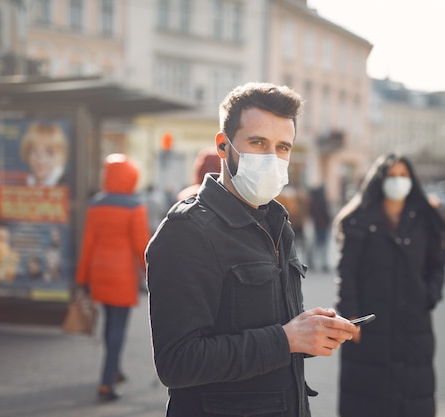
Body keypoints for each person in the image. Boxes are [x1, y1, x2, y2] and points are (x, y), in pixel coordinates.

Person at [145, 82, 359, 417]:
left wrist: (307, 332)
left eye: (283, 147)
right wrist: (286, 339)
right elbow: (177, 363)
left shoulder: (277, 224)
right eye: (258, 143)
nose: (272, 158)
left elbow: (267, 331)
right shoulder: (187, 232)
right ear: (223, 146)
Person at [333, 153, 445, 417]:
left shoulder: (424, 220)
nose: (398, 181)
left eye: (403, 176)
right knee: (367, 400)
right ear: (380, 179)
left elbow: (436, 265)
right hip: (368, 324)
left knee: (411, 397)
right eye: (392, 176)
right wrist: (350, 314)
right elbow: (346, 270)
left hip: (414, 325)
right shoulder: (359, 219)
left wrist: (429, 295)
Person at [76, 153, 150, 402]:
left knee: (109, 324)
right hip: (122, 276)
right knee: (118, 327)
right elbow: (142, 247)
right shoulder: (135, 206)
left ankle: (114, 370)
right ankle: (106, 382)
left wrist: (81, 280)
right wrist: (152, 273)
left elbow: (88, 244)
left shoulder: (96, 204)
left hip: (99, 272)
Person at [308, 184, 332, 272]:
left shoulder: (314, 201)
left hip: (317, 225)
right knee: (323, 245)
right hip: (323, 225)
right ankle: (323, 263)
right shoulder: (322, 201)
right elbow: (326, 214)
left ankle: (313, 262)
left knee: (317, 245)